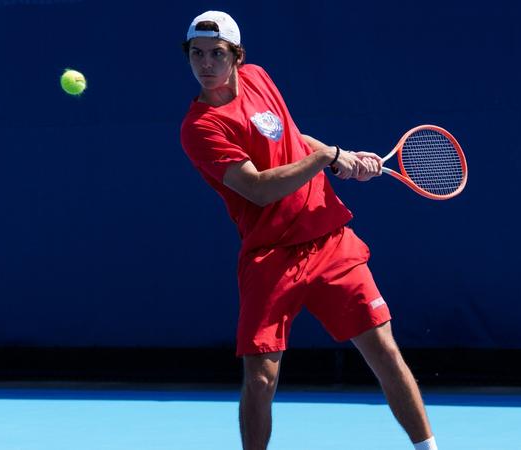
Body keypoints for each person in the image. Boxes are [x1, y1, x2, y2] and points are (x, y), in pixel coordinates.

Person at [180, 11, 438, 450]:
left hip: (329, 239)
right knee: (260, 379)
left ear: (238, 57)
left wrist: (342, 158)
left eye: (216, 54)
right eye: (197, 54)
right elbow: (258, 189)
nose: (206, 64)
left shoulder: (259, 78)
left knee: (384, 349)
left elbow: (294, 139)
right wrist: (326, 158)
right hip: (271, 256)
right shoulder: (200, 127)